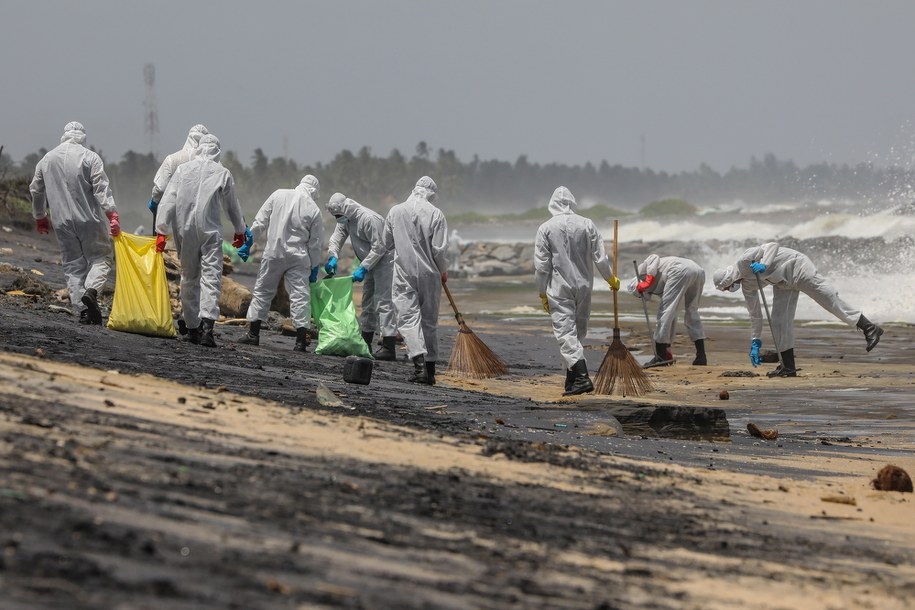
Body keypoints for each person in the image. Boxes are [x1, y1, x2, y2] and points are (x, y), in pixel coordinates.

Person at [713, 242, 884, 377]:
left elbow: (772, 245)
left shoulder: (744, 261)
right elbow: (755, 315)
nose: (729, 290)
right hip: (782, 283)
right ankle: (788, 367)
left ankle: (869, 328)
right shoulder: (747, 287)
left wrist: (764, 264)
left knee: (829, 299)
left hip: (797, 267)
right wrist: (755, 341)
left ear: (728, 280)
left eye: (727, 288)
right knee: (779, 321)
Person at [154, 134, 246, 347]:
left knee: (188, 277)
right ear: (216, 151)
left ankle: (192, 328)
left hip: (185, 231)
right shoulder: (222, 173)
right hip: (210, 231)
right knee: (211, 278)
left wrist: (161, 231)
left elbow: (168, 200)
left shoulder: (183, 170)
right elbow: (232, 206)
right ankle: (208, 329)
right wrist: (240, 230)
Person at [30, 121, 121, 325]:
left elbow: (36, 189)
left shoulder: (47, 159)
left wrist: (40, 216)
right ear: (82, 137)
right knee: (100, 257)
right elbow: (101, 190)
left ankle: (83, 311)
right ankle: (91, 291)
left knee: (73, 265)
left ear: (64, 135)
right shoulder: (90, 157)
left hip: (61, 221)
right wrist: (112, 215)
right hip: (89, 219)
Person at [534, 186, 620, 396]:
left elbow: (542, 265)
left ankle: (581, 378)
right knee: (578, 332)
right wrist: (610, 278)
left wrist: (542, 291)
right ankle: (571, 378)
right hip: (584, 285)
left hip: (560, 286)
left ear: (552, 204)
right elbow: (600, 257)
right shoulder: (587, 224)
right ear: (572, 202)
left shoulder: (546, 228)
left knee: (566, 333)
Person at [374, 176, 448, 384]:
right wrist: (443, 270)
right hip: (430, 274)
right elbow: (439, 250)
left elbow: (386, 243)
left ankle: (420, 368)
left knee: (408, 319)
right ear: (431, 194)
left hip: (404, 273)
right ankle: (431, 370)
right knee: (429, 321)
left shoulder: (395, 211)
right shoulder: (436, 214)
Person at [238, 175, 323, 352]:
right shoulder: (314, 209)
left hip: (274, 252)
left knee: (262, 291)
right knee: (300, 297)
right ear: (314, 190)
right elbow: (315, 243)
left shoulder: (278, 194)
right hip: (298, 256)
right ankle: (300, 342)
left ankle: (253, 335)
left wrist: (248, 243)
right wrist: (314, 266)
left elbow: (260, 221)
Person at [324, 192, 397, 359]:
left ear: (345, 209)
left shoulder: (367, 219)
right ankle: (365, 343)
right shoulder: (345, 218)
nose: (337, 219)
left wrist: (363, 268)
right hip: (370, 261)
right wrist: (333, 256)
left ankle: (389, 346)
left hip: (386, 261)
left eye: (338, 215)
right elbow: (337, 238)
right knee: (368, 302)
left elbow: (379, 247)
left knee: (384, 301)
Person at [629, 255, 707, 367]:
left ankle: (659, 357)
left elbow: (653, 258)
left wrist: (648, 281)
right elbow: (672, 315)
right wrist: (668, 348)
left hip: (678, 269)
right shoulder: (658, 287)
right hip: (697, 270)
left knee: (664, 311)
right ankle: (701, 356)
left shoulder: (641, 273)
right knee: (691, 311)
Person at [147, 124, 208, 240]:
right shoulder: (211, 163)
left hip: (180, 216)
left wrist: (155, 201)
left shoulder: (173, 159)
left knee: (184, 252)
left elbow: (161, 188)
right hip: (205, 216)